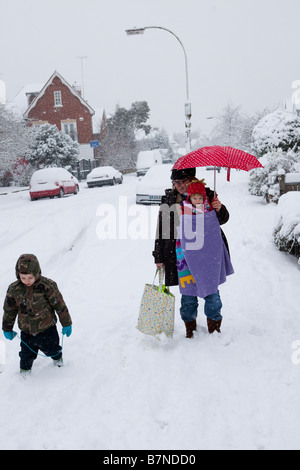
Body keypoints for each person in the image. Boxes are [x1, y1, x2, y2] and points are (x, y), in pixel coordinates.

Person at [153, 168, 232, 338]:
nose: (178, 186)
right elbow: (162, 229)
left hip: (207, 253)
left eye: (181, 182)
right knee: (187, 294)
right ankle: (190, 328)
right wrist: (158, 256)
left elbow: (222, 220)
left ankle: (214, 327)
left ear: (191, 179)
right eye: (174, 182)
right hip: (181, 255)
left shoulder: (207, 195)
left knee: (211, 292)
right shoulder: (170, 199)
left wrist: (220, 209)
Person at [2, 254, 72, 373]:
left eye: (30, 277)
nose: (27, 281)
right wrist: (7, 328)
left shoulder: (47, 286)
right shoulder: (14, 289)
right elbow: (9, 310)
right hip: (26, 331)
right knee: (25, 356)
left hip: (47, 329)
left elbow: (59, 305)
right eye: (23, 278)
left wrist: (66, 323)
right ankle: (24, 373)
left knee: (53, 349)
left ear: (36, 273)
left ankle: (58, 361)